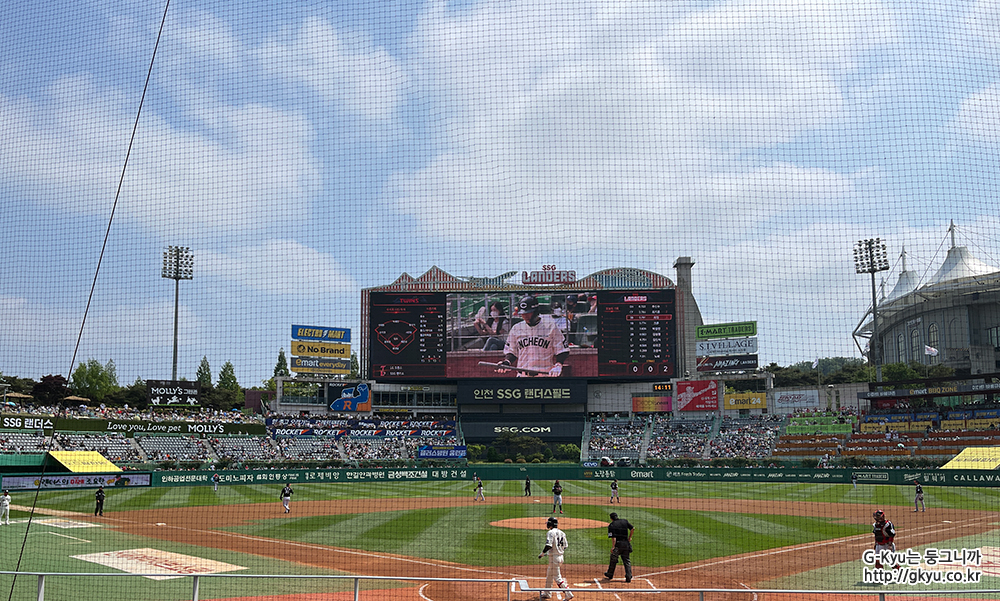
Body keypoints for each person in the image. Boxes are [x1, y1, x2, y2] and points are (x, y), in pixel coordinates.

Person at [499, 296, 569, 377]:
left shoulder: (550, 326)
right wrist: (507, 362)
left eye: (528, 313)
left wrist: (558, 365)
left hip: (543, 375)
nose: (525, 316)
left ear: (535, 311)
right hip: (522, 375)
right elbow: (512, 352)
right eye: (523, 313)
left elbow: (562, 350)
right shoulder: (516, 328)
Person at [538, 516, 573, 600]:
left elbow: (548, 545)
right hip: (560, 557)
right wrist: (557, 550)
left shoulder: (550, 532)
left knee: (557, 577)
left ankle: (568, 593)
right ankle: (547, 593)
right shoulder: (562, 533)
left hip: (554, 559)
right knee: (549, 575)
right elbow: (565, 546)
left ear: (550, 524)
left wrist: (542, 553)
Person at [604, 512, 634, 583]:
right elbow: (632, 528)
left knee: (613, 560)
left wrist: (613, 547)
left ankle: (610, 574)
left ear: (611, 518)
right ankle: (628, 576)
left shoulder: (612, 525)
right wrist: (630, 537)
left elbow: (613, 538)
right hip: (626, 544)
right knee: (626, 560)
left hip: (618, 545)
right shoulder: (624, 521)